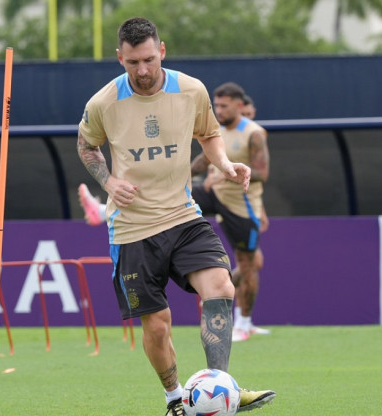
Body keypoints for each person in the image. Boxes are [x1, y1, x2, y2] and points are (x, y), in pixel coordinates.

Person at [77, 17, 275, 415]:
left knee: (221, 287)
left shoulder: (190, 89)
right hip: (132, 229)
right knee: (157, 324)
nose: (143, 70)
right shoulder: (103, 103)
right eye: (133, 63)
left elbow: (209, 134)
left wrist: (223, 164)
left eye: (149, 59)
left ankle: (220, 391)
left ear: (162, 50)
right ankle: (174, 400)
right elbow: (86, 146)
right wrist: (109, 181)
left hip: (182, 216)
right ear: (120, 58)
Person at [190, 84, 271, 342]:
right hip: (216, 196)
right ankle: (106, 210)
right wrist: (176, 174)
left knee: (249, 265)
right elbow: (202, 162)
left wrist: (227, 174)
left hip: (242, 208)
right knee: (174, 194)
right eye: (217, 105)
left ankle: (244, 323)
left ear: (239, 105)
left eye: (224, 106)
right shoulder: (216, 131)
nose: (219, 110)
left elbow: (261, 173)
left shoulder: (254, 133)